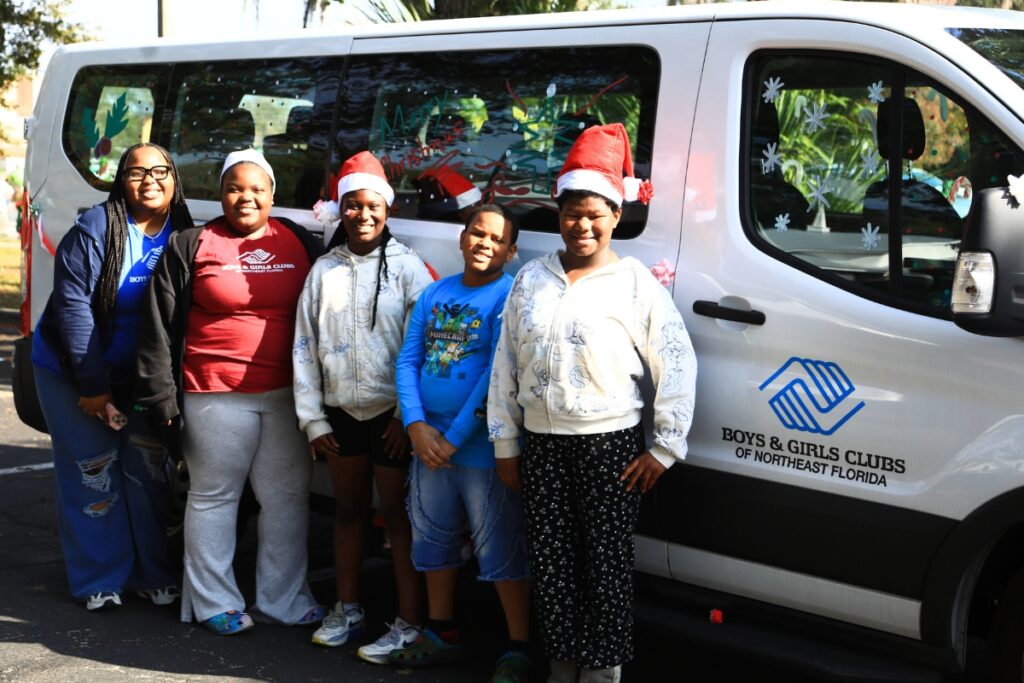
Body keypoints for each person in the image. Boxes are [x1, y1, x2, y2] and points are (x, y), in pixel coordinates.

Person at [487, 123, 698, 683]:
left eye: (595, 214)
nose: (582, 224)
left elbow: (675, 362)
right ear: (558, 216)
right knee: (553, 564)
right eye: (572, 213)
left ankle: (602, 673)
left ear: (615, 216)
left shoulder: (635, 284)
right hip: (542, 446)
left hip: (610, 448)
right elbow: (505, 363)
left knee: (605, 566)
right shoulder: (532, 278)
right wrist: (506, 443)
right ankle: (562, 668)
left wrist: (665, 447)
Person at [135, 149, 324, 635]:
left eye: (257, 188)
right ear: (220, 194)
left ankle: (283, 599)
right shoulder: (191, 244)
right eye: (235, 188)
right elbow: (157, 326)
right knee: (215, 496)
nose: (246, 197)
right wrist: (162, 398)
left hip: (287, 396)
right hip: (213, 393)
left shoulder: (299, 240)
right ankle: (213, 601)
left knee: (287, 498)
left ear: (273, 195)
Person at [31, 143, 192, 611]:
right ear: (122, 180)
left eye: (161, 171)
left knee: (148, 475)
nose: (151, 180)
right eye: (138, 172)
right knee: (93, 472)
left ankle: (151, 574)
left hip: (141, 378)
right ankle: (99, 577)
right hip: (75, 373)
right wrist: (94, 388)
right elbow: (73, 311)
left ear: (174, 178)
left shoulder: (183, 232)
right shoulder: (95, 229)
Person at [295, 151, 432, 662]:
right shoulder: (323, 270)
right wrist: (312, 418)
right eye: (351, 205)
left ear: (387, 209)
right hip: (341, 414)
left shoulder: (409, 268)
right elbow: (304, 346)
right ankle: (347, 607)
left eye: (372, 205)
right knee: (349, 511)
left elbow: (423, 349)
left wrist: (406, 416)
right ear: (340, 209)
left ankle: (410, 620)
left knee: (397, 518)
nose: (362, 215)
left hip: (391, 419)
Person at [391, 204, 531, 683]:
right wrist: (414, 424)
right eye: (476, 233)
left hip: (477, 448)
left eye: (496, 239)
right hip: (427, 442)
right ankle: (442, 630)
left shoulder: (508, 297)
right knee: (433, 538)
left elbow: (496, 375)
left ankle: (518, 645)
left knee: (498, 548)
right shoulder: (435, 294)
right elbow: (408, 360)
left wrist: (451, 439)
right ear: (462, 237)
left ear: (511, 251)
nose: (483, 243)